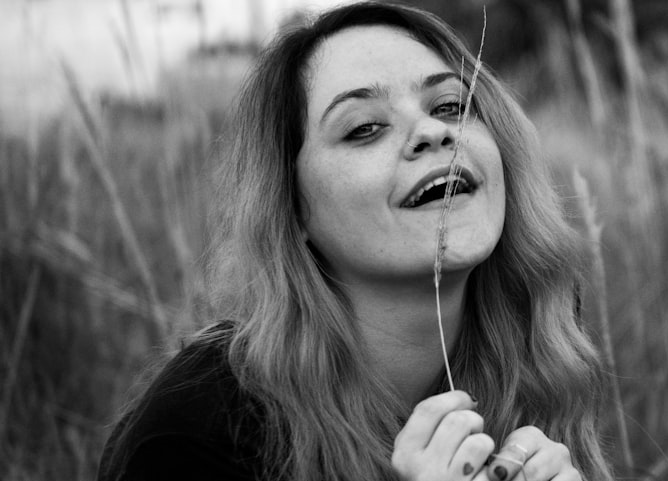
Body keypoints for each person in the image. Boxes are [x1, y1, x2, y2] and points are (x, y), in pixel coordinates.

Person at [97, 2, 613, 480]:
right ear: (293, 208)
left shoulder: (540, 342)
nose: (432, 131)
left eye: (453, 106)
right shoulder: (194, 436)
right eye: (365, 128)